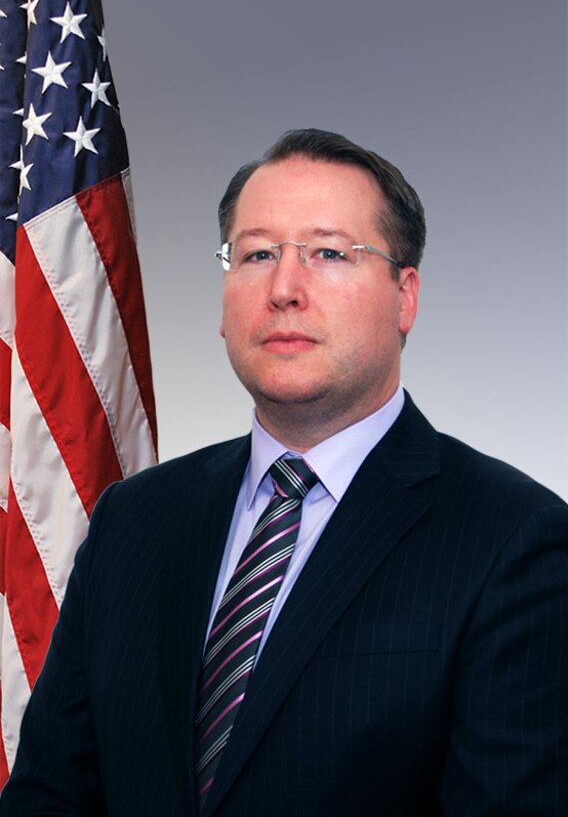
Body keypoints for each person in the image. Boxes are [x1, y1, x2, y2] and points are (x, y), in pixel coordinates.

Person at [1, 129, 567, 816]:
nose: (284, 288)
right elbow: (49, 798)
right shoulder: (133, 520)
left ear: (405, 296)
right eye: (257, 253)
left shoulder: (516, 539)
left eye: (329, 253)